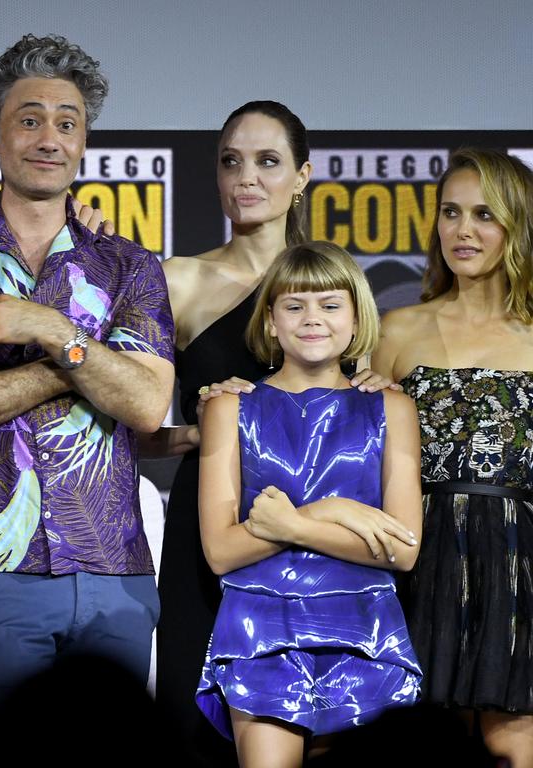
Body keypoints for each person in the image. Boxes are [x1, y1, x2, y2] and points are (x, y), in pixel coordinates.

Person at [0, 34, 175, 715]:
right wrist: (78, 364)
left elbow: (143, 403)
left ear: (83, 141)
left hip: (114, 570)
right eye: (29, 118)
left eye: (67, 122)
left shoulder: (131, 266)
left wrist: (47, 329)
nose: (49, 137)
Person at [145, 101, 389, 764]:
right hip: (213, 533)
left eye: (267, 161)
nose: (246, 177)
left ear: (303, 175)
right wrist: (206, 437)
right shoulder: (180, 280)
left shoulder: (334, 285)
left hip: (321, 547)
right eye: (231, 161)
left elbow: (362, 427)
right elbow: (129, 430)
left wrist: (371, 388)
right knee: (199, 724)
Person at [196, 241, 423, 767]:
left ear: (356, 315)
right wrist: (330, 512)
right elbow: (221, 551)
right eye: (294, 306)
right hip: (260, 628)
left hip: (365, 627)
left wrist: (293, 524)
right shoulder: (230, 407)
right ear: (271, 321)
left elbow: (403, 550)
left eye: (330, 304)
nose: (312, 319)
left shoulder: (392, 408)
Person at [371, 148, 533, 768]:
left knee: (511, 741)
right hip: (416, 558)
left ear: (516, 225)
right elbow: (339, 437)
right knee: (418, 745)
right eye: (451, 212)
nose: (463, 230)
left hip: (519, 563)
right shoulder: (395, 330)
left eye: (485, 214)